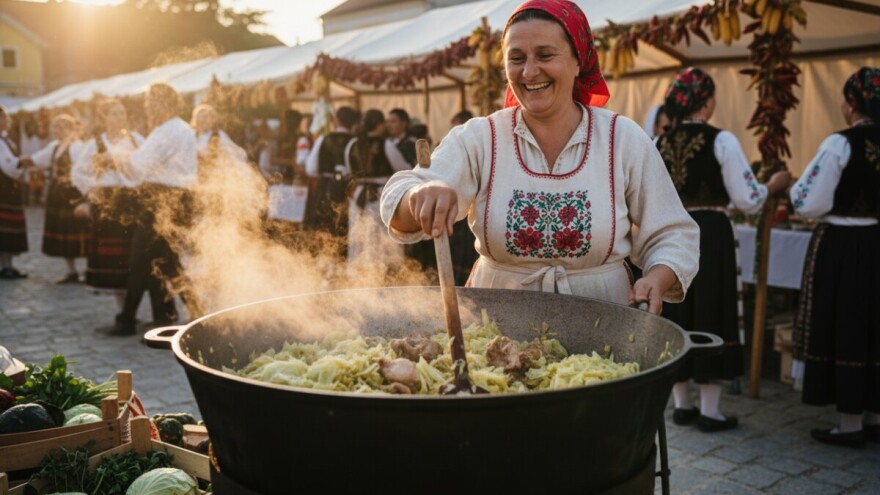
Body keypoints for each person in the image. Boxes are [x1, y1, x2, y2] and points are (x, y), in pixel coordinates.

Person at [381, 0, 699, 316]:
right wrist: (418, 196)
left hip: (604, 319)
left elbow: (672, 232)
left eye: (545, 55)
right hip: (498, 322)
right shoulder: (480, 138)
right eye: (516, 59)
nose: (530, 71)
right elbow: (399, 195)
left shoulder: (622, 139)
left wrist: (656, 278)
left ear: (579, 61)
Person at [656, 68, 791, 432]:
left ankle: (682, 404)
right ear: (709, 101)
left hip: (669, 232)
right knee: (712, 309)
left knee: (677, 311)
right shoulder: (723, 141)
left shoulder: (659, 143)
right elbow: (747, 199)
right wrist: (772, 186)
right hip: (710, 234)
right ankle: (711, 411)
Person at [789, 66, 880, 448]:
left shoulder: (840, 144)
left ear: (852, 103)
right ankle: (874, 414)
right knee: (875, 323)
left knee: (846, 322)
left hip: (844, 245)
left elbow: (807, 200)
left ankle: (849, 422)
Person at [97, 83, 197, 336]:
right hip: (170, 199)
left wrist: (113, 158)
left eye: (151, 101)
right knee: (164, 263)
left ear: (164, 103)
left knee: (142, 260)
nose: (148, 106)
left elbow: (139, 166)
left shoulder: (168, 130)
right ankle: (168, 319)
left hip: (164, 200)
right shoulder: (176, 127)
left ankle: (130, 320)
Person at [71, 99, 144, 314]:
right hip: (106, 202)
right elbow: (77, 172)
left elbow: (148, 164)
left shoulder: (136, 140)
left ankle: (133, 307)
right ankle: (122, 308)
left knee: (133, 253)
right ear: (104, 118)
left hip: (131, 199)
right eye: (114, 113)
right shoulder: (95, 143)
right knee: (114, 256)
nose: (119, 117)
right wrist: (91, 190)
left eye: (122, 113)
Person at [344, 109, 409, 275]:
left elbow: (348, 170)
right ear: (379, 125)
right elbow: (403, 169)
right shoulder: (385, 144)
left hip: (358, 196)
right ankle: (385, 275)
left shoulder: (352, 144)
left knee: (359, 237)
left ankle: (359, 274)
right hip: (381, 196)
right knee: (382, 238)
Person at [27, 114, 90, 283]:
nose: (56, 131)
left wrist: (87, 195)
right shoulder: (55, 146)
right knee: (63, 231)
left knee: (79, 229)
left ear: (70, 129)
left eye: (60, 127)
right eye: (54, 127)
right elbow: (38, 159)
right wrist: (20, 163)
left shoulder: (77, 146)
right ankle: (71, 271)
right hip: (58, 194)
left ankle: (88, 269)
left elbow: (85, 169)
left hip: (73, 192)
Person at [304, 105, 360, 245]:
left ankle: (325, 262)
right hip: (350, 190)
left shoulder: (324, 139)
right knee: (345, 230)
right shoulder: (356, 141)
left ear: (336, 120)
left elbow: (311, 169)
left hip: (326, 187)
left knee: (324, 228)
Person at [447, 109, 480, 285]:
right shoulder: (448, 150)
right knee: (456, 249)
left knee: (469, 250)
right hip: (455, 209)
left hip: (471, 212)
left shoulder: (478, 149)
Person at [0, 105, 29, 279]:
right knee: (3, 228)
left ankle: (8, 264)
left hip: (10, 188)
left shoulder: (7, 139)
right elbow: (7, 165)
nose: (3, 120)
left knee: (9, 227)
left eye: (4, 117)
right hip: (3, 188)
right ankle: (5, 265)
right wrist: (21, 163)